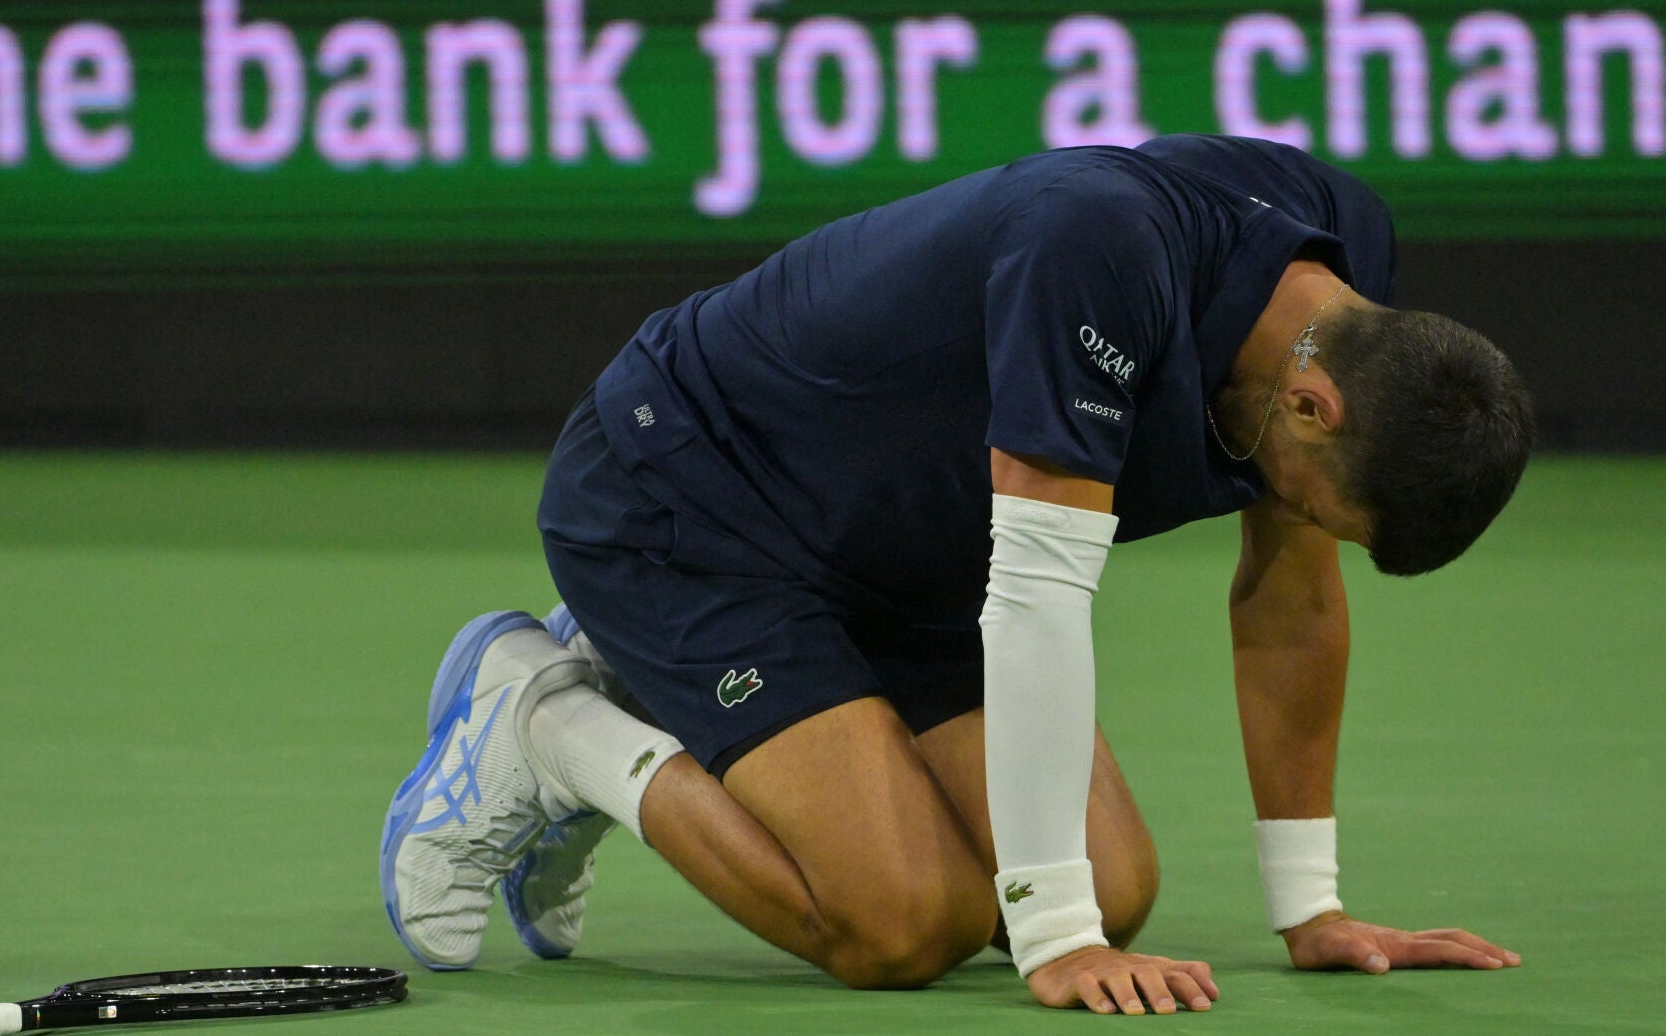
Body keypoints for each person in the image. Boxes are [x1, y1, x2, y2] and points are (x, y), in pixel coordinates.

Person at [378, 134, 1534, 1015]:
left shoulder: (1348, 298)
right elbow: (1034, 596)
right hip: (690, 493)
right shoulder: (1096, 248)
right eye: (1310, 505)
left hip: (906, 548)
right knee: (900, 923)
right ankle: (547, 720)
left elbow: (1291, 603)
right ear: (1312, 404)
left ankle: (641, 676)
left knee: (1112, 886)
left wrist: (1311, 906)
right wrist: (1057, 938)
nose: (1291, 521)